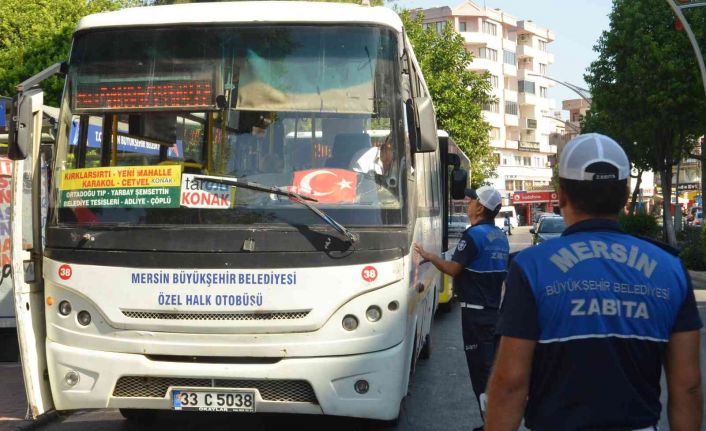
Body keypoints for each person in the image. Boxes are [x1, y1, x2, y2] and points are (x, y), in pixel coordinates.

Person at [485, 133, 703, 431]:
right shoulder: (670, 268)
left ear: (561, 195)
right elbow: (688, 387)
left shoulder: (531, 268)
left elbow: (510, 384)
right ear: (626, 196)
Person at [414, 185, 509, 431]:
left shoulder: (473, 236)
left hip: (475, 316)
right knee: (491, 371)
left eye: (472, 200)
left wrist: (431, 256)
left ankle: (491, 424)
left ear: (480, 207)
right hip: (493, 313)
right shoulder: (499, 236)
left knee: (481, 374)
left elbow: (454, 269)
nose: (468, 204)